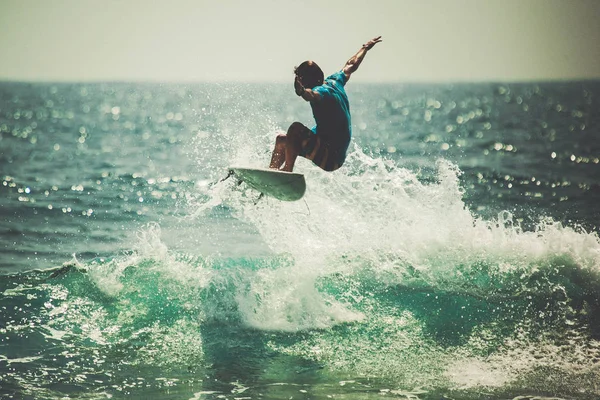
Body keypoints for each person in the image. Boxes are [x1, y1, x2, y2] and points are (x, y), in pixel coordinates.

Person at [269, 36, 382, 172]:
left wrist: (301, 91)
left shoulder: (320, 92)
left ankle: (287, 170)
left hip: (330, 157)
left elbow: (311, 95)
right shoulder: (335, 80)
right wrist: (365, 48)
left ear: (304, 81)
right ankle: (271, 175)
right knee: (282, 140)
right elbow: (351, 64)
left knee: (295, 129)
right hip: (328, 151)